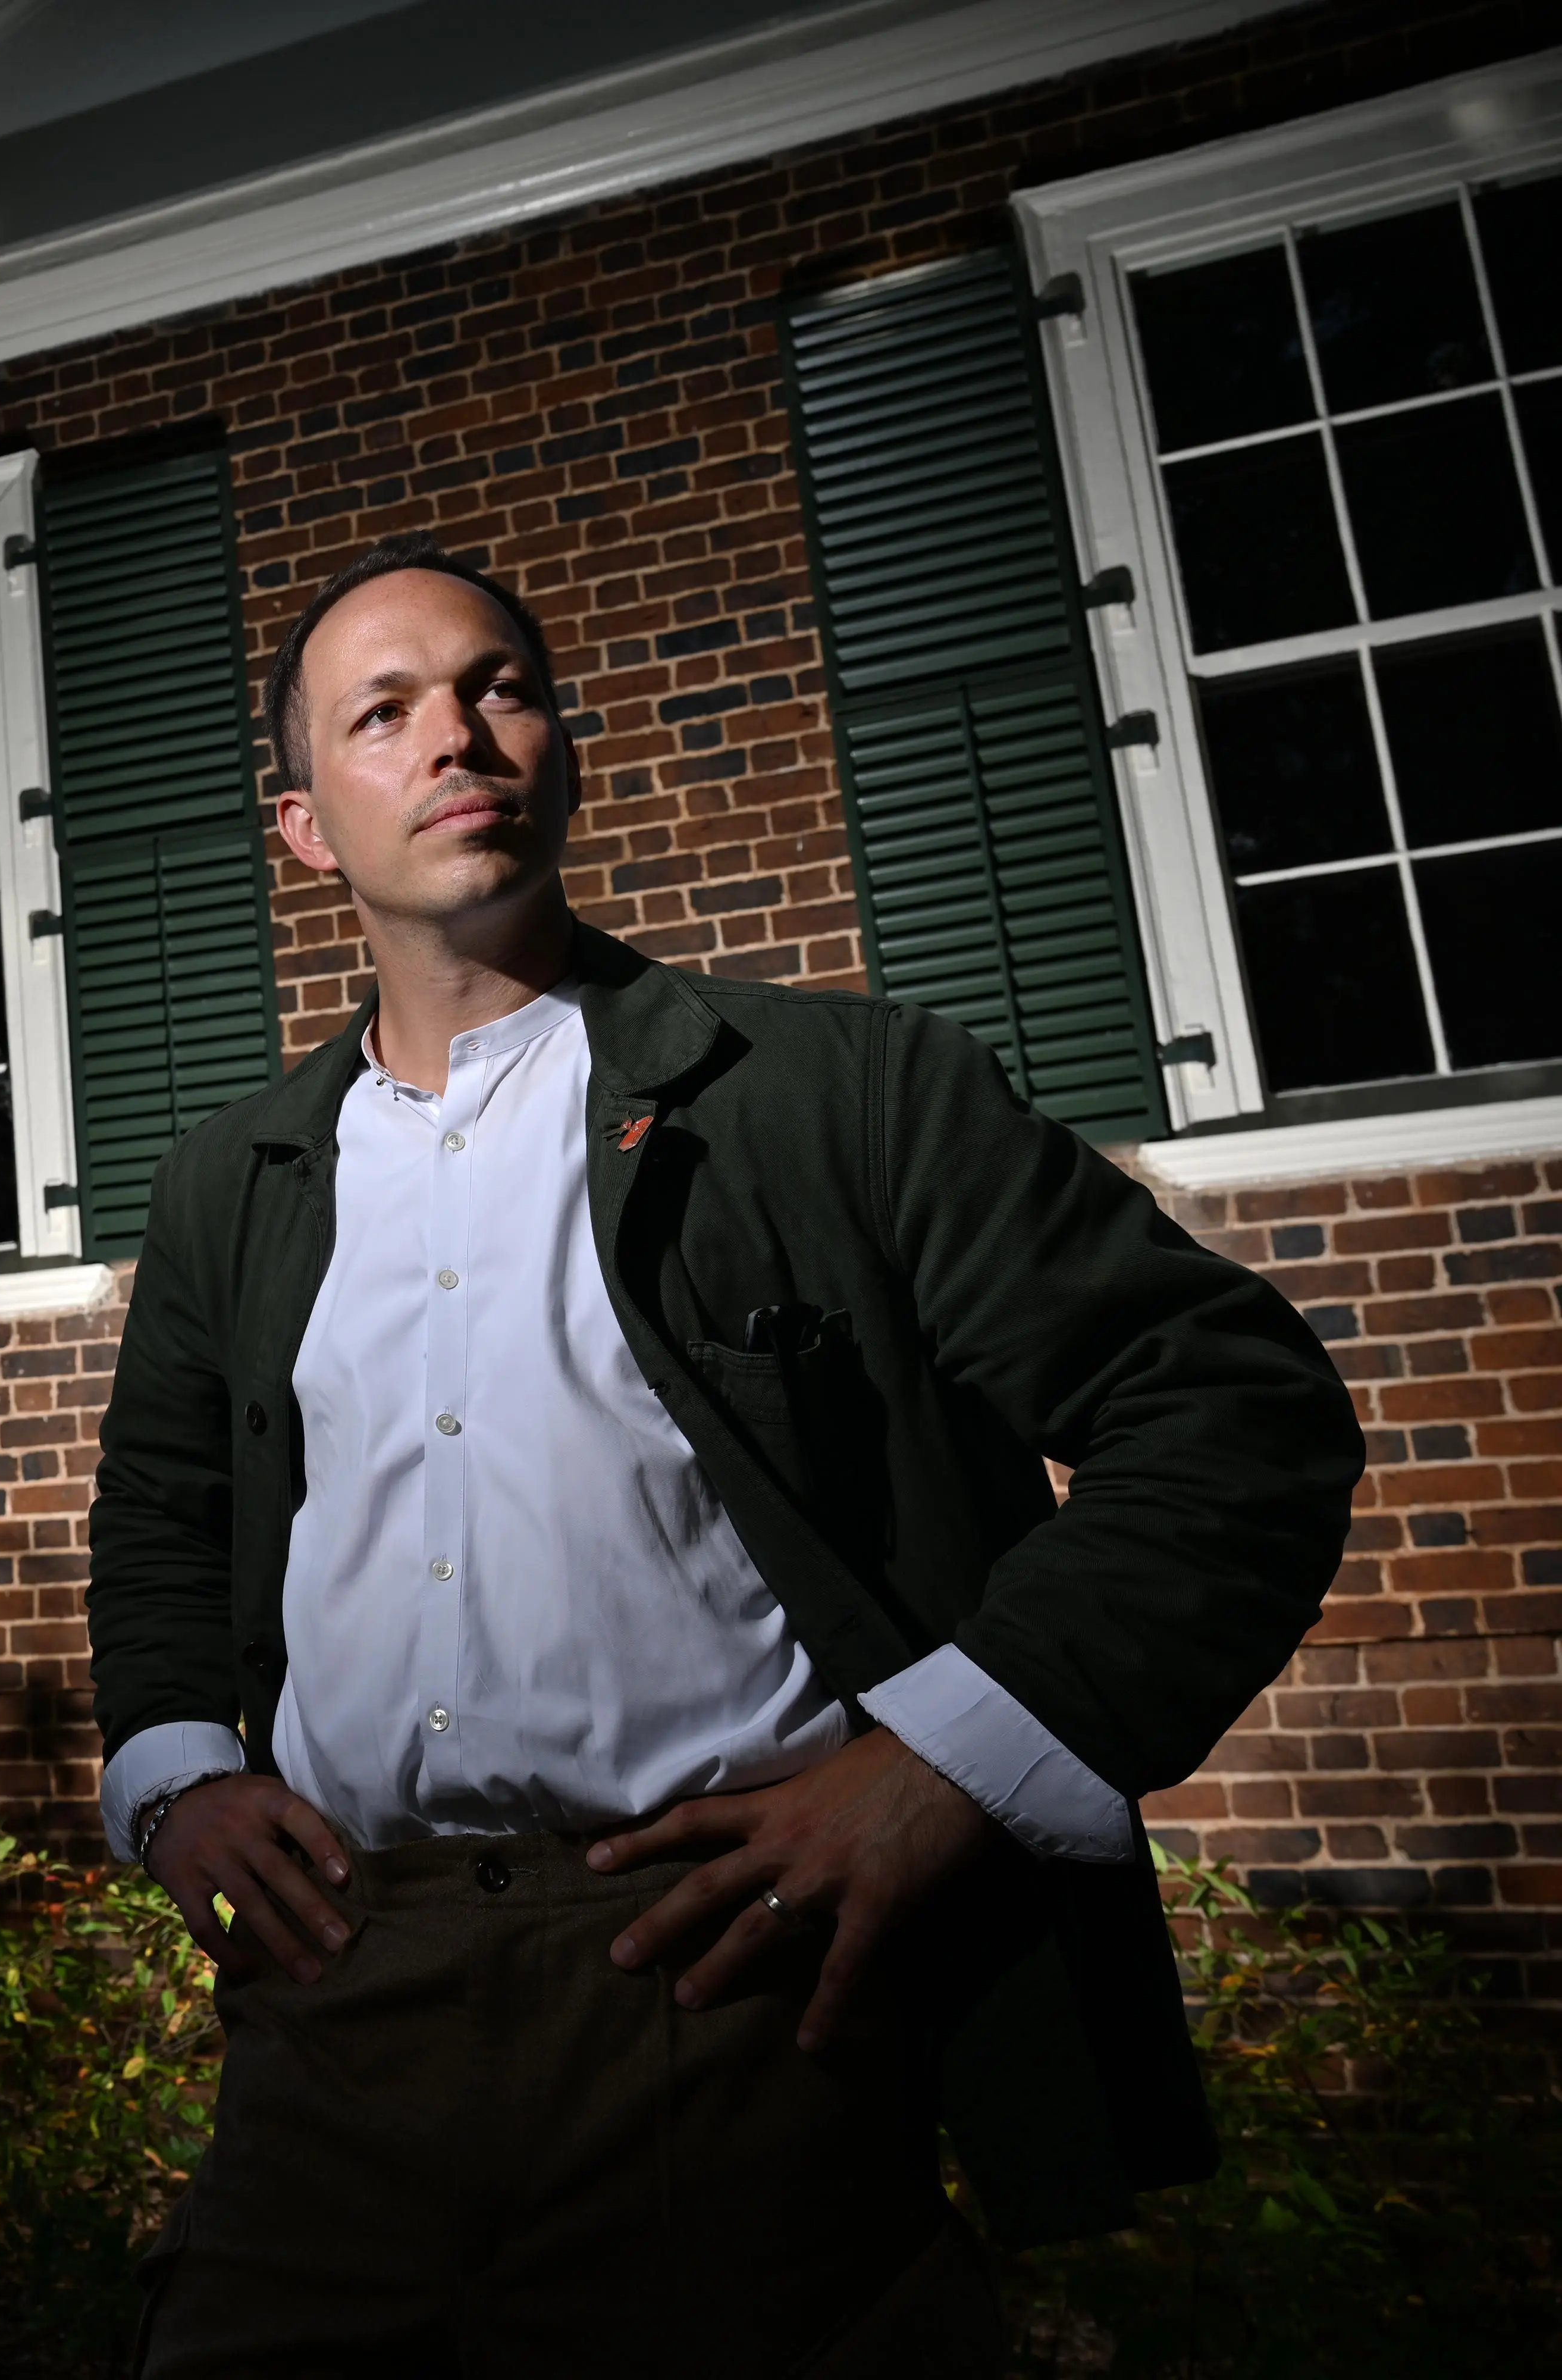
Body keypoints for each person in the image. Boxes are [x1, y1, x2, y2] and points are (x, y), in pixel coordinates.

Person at [86, 531, 1362, 2376]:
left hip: (718, 1989)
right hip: (333, 2008)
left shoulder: (839, 1097)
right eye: (385, 712)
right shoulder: (230, 1183)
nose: (457, 737)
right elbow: (166, 1507)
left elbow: (1229, 1412)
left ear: (563, 754)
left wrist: (952, 1760)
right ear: (305, 829)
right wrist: (174, 1771)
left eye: (501, 691)